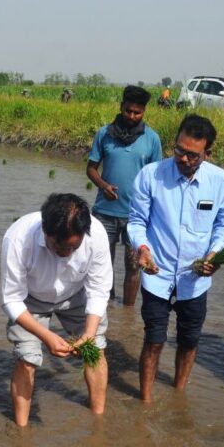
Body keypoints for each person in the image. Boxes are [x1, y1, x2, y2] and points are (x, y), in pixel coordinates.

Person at [127, 114, 224, 402]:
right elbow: (137, 221)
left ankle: (179, 394)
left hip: (195, 280)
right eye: (179, 150)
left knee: (189, 341)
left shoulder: (220, 181)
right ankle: (146, 402)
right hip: (157, 274)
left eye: (192, 155)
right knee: (154, 340)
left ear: (207, 154)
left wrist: (215, 254)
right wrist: (142, 248)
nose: (183, 158)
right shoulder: (151, 175)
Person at [1, 193, 113, 427]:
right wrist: (47, 336)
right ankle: (21, 430)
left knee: (96, 350)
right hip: (30, 300)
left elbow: (99, 290)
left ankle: (98, 420)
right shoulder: (18, 238)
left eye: (75, 247)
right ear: (45, 229)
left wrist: (89, 335)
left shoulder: (97, 234)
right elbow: (12, 299)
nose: (68, 253)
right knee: (27, 358)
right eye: (60, 247)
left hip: (76, 295)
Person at [86, 85, 162, 306]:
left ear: (144, 112)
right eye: (128, 110)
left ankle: (128, 313)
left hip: (136, 217)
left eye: (137, 112)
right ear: (121, 107)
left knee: (133, 266)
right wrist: (103, 185)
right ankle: (103, 307)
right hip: (104, 213)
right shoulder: (104, 134)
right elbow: (91, 169)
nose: (131, 116)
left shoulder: (152, 139)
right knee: (101, 265)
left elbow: (156, 179)